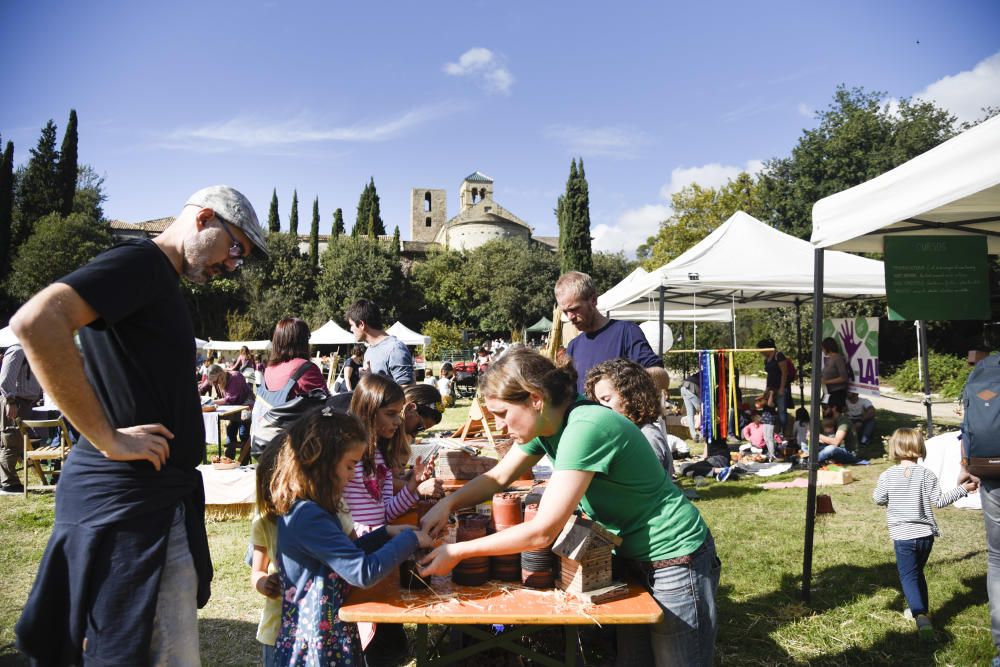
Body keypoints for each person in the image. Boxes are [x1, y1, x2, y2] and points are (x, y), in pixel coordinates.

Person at [12, 185, 268, 664]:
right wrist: (107, 438)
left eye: (243, 257)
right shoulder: (143, 263)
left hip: (147, 502)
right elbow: (37, 321)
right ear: (203, 216)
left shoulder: (159, 279)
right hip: (129, 506)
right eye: (235, 246)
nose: (233, 264)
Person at [418, 348, 720, 666]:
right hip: (632, 555)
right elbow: (499, 476)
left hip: (674, 557)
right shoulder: (548, 426)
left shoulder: (585, 427)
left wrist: (459, 552)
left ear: (535, 399)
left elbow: (542, 532)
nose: (501, 426)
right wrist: (448, 503)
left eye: (503, 413)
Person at [270, 408, 432, 665]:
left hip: (329, 630)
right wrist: (411, 540)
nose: (352, 474)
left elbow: (347, 552)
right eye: (350, 465)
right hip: (316, 643)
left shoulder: (314, 508)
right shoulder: (308, 516)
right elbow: (362, 571)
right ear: (321, 460)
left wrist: (385, 533)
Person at [873, 428, 976, 640]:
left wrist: (890, 499)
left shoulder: (887, 475)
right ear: (920, 448)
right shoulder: (927, 474)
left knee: (908, 576)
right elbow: (939, 501)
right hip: (925, 536)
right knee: (917, 573)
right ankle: (921, 611)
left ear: (894, 448)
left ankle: (920, 617)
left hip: (903, 536)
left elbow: (878, 498)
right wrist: (964, 489)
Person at [345, 375, 431, 534]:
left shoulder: (379, 456)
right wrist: (382, 532)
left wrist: (413, 485)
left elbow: (386, 513)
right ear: (368, 412)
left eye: (398, 413)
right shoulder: (345, 459)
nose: (398, 421)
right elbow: (337, 522)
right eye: (391, 413)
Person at [555, 271, 664, 394]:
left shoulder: (626, 332)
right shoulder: (573, 346)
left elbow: (661, 376)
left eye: (574, 309)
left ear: (593, 300)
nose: (570, 317)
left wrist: (623, 381)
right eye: (565, 312)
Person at [585, 358, 674, 477]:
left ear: (631, 396)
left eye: (606, 399)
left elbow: (643, 484)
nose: (601, 407)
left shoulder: (647, 436)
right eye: (597, 401)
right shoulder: (623, 434)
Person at [0, 343, 43, 494]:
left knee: (16, 441)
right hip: (15, 402)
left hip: (24, 403)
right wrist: (11, 402)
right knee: (11, 440)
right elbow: (6, 377)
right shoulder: (17, 350)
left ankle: (7, 480)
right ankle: (8, 483)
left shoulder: (29, 350)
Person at [346, 299, 414, 385]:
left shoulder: (395, 349)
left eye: (351, 325)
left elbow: (407, 392)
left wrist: (371, 380)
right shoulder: (369, 350)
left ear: (361, 324)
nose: (351, 329)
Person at [199, 363, 254, 459]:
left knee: (243, 434)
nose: (215, 384)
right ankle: (229, 461)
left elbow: (229, 400)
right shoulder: (214, 378)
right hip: (233, 407)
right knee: (231, 432)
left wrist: (210, 401)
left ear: (220, 375)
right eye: (213, 383)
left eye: (215, 382)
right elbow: (203, 388)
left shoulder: (235, 377)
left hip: (246, 405)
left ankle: (243, 464)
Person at [758, 338, 793, 435]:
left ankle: (783, 432)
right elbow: (769, 375)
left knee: (782, 410)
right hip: (771, 389)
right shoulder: (766, 360)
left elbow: (784, 372)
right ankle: (774, 431)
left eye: (761, 349)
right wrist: (767, 389)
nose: (760, 352)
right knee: (770, 409)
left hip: (780, 388)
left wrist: (782, 388)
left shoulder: (779, 356)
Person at [820, 336, 850, 409]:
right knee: (825, 410)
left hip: (836, 393)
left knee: (833, 415)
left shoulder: (838, 358)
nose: (822, 350)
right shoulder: (829, 358)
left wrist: (827, 381)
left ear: (828, 347)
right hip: (827, 391)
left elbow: (844, 377)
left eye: (823, 348)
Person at [680, 369, 703, 442]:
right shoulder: (708, 373)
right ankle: (703, 434)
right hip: (691, 387)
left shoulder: (704, 372)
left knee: (690, 414)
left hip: (684, 387)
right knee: (702, 410)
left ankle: (694, 435)